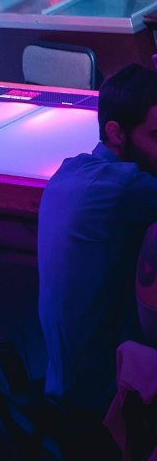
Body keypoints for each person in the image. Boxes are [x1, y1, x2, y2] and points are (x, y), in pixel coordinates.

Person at [39, 63, 157, 413]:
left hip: (61, 381)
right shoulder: (124, 188)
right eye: (156, 136)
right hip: (102, 395)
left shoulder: (69, 170)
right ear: (116, 133)